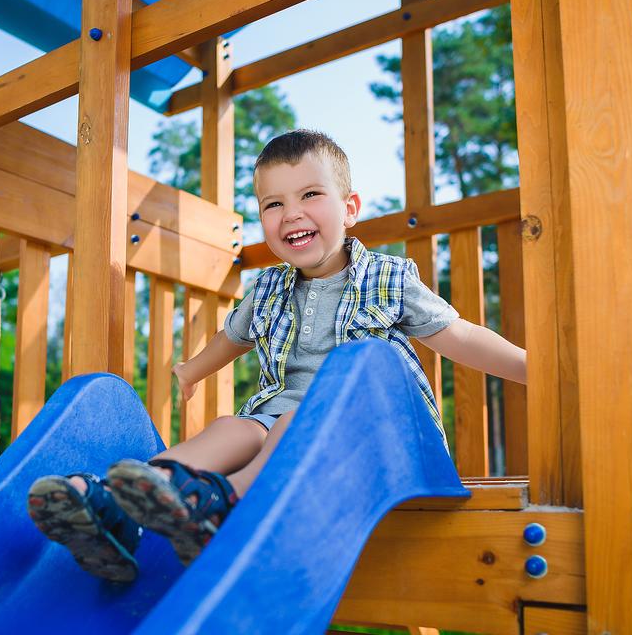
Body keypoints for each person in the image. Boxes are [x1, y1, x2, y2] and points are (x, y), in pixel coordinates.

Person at [27, 129, 526, 582]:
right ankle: (121, 504)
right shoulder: (267, 288)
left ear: (350, 207)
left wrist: (530, 368)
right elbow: (233, 337)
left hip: (381, 447)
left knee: (292, 420)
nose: (291, 214)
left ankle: (227, 504)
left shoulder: (389, 277)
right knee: (233, 426)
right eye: (273, 204)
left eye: (310, 195)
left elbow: (457, 335)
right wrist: (192, 369)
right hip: (282, 419)